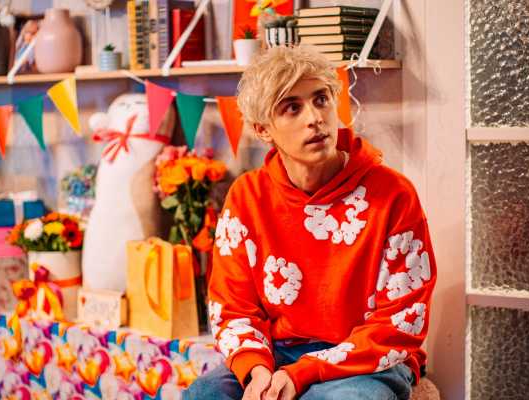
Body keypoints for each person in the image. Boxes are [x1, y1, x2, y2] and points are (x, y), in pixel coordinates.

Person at [184, 45, 437, 400]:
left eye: (321, 99)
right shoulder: (247, 196)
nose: (315, 118)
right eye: (292, 107)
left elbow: (401, 320)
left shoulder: (393, 194)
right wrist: (256, 371)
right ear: (263, 130)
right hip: (277, 352)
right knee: (205, 393)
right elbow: (232, 307)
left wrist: (304, 372)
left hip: (368, 360)